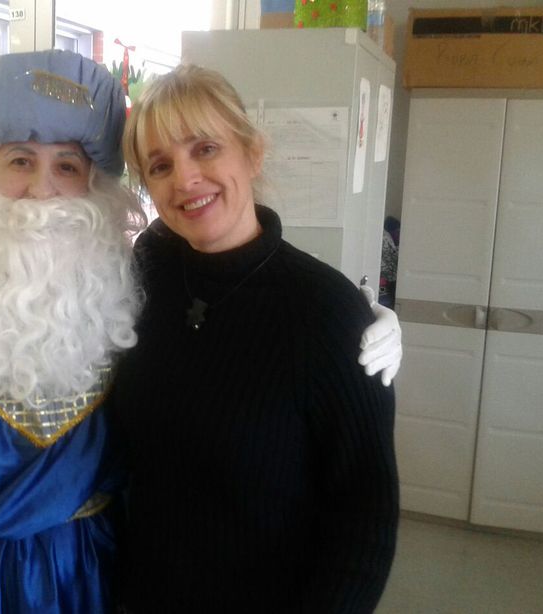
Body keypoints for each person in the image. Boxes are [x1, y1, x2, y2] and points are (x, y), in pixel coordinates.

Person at [0, 51, 401, 613]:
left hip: (102, 580)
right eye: (19, 161)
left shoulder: (112, 283)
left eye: (67, 165)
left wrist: (353, 315)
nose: (43, 189)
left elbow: (362, 512)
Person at [109, 64, 399, 612]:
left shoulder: (325, 311)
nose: (185, 179)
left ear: (253, 153)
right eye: (161, 165)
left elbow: (365, 518)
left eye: (205, 149)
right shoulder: (142, 279)